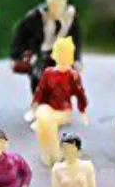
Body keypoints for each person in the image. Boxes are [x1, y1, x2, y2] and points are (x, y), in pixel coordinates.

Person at [10, 0, 83, 95]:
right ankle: (39, 95)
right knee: (37, 74)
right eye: (53, 6)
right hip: (39, 51)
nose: (56, 9)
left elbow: (76, 39)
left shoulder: (71, 17)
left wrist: (76, 59)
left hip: (61, 52)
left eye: (59, 6)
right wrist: (16, 56)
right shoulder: (34, 17)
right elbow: (20, 36)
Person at [30, 36, 89, 167]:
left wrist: (83, 110)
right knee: (43, 114)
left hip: (64, 110)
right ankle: (47, 152)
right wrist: (34, 106)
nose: (63, 57)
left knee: (46, 123)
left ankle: (55, 153)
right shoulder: (48, 73)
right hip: (49, 108)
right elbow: (40, 90)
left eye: (66, 54)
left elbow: (80, 94)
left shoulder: (73, 75)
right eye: (61, 53)